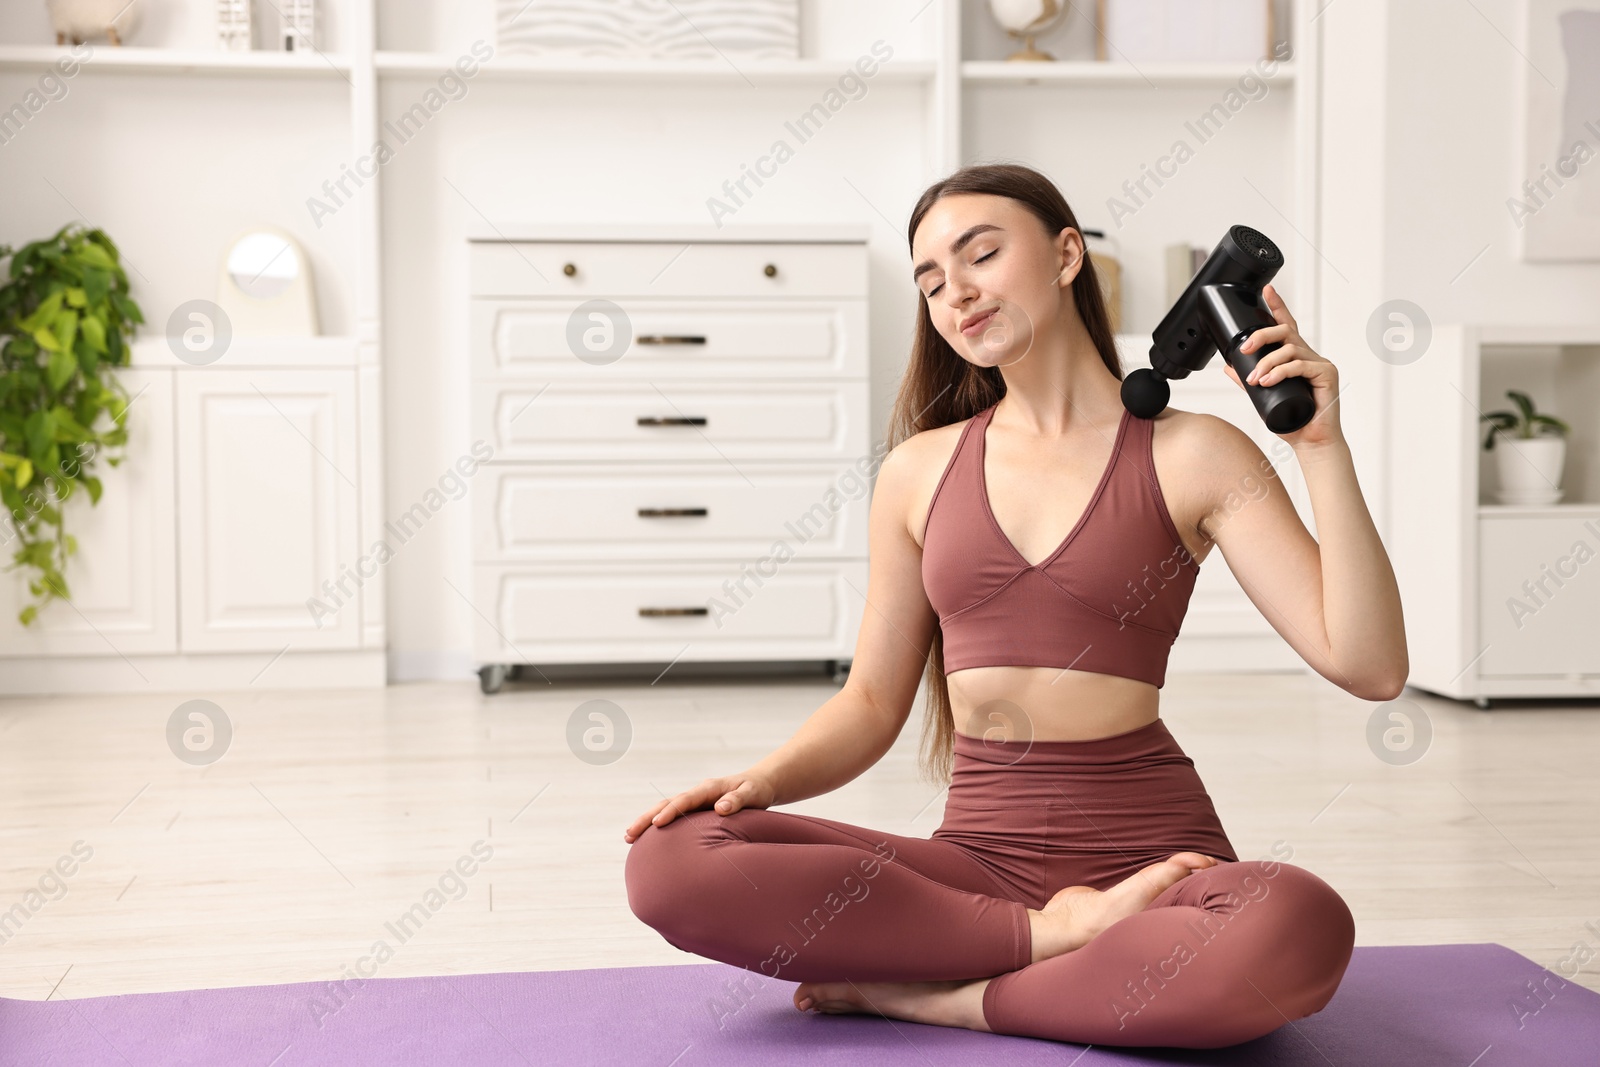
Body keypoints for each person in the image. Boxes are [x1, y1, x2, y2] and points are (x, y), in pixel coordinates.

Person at [622, 162, 1408, 1048]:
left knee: (1296, 922)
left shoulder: (1194, 452)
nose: (955, 292)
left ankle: (944, 995)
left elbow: (1370, 664)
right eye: (929, 282)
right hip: (978, 869)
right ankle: (1048, 945)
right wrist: (762, 783)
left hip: (1154, 867)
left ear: (1068, 254)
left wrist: (1321, 446)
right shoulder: (919, 470)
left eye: (981, 254)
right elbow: (874, 701)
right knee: (670, 860)